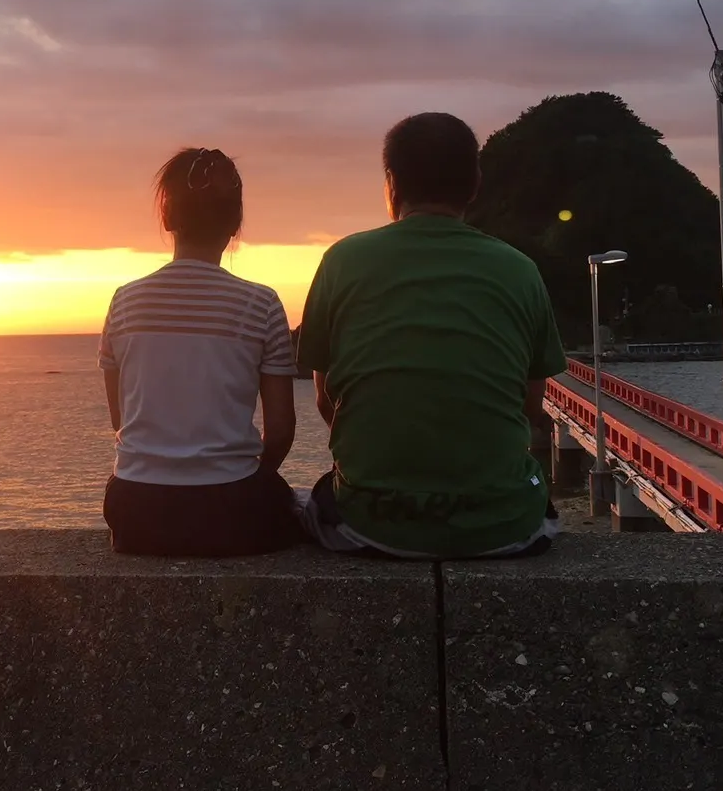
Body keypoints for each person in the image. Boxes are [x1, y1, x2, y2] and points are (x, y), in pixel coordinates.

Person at [296, 113, 566, 559]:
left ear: (391, 184)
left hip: (371, 524)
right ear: (474, 184)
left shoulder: (342, 261)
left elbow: (327, 402)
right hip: (501, 526)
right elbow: (529, 407)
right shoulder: (520, 270)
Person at [99, 147, 302, 556]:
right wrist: (242, 476)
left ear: (167, 217)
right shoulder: (261, 304)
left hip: (135, 510)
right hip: (230, 508)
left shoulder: (125, 301)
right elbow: (280, 430)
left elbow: (122, 420)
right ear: (235, 223)